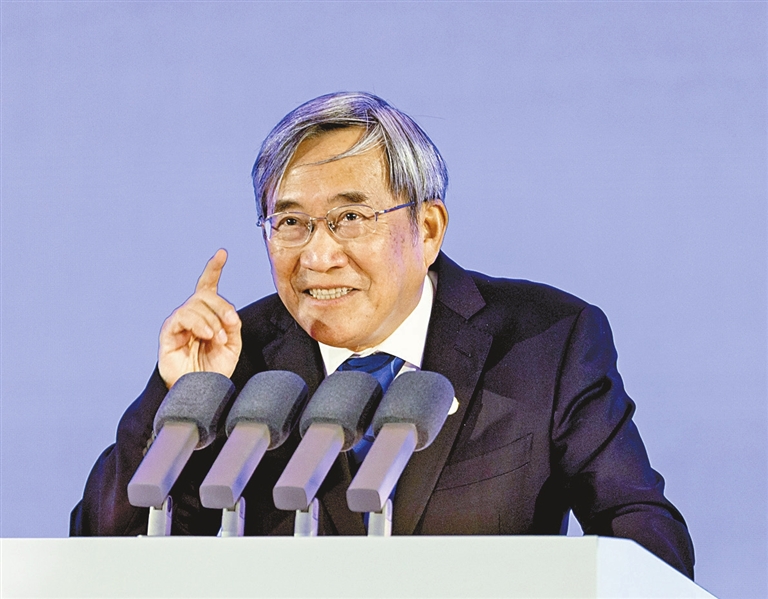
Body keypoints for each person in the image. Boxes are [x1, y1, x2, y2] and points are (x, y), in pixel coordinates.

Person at [70, 91, 695, 578]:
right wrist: (180, 393)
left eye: (350, 217)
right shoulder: (238, 354)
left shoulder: (545, 341)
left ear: (428, 229)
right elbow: (101, 554)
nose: (318, 256)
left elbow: (644, 536)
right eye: (290, 222)